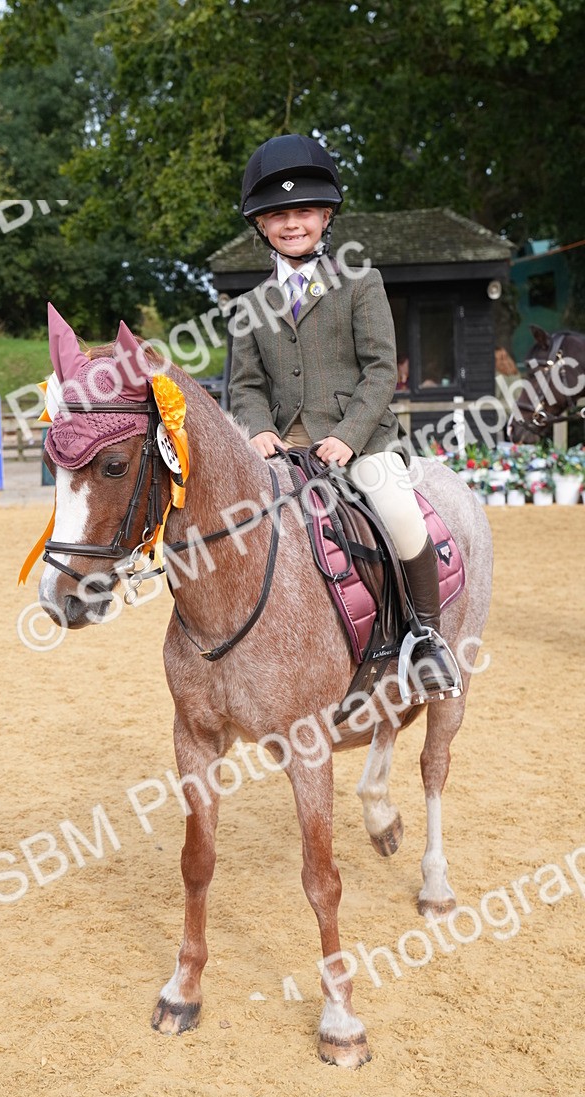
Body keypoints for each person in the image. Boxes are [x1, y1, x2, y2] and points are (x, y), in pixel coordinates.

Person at [228, 133, 459, 697]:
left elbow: (383, 371)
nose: (291, 224)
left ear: (325, 216)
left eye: (303, 212)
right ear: (262, 226)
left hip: (362, 444)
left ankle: (427, 639)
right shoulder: (248, 304)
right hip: (282, 449)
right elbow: (245, 384)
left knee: (400, 514)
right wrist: (257, 428)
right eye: (278, 215)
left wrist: (350, 438)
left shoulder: (361, 282)